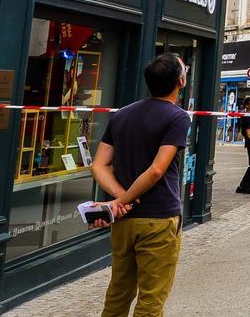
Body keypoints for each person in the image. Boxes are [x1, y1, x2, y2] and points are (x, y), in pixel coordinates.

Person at [90, 53, 193, 317]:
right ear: (180, 81)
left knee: (118, 293)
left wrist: (119, 199)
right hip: (158, 218)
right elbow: (157, 170)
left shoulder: (123, 114)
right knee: (151, 298)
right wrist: (123, 201)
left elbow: (99, 165)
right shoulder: (178, 118)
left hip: (124, 222)